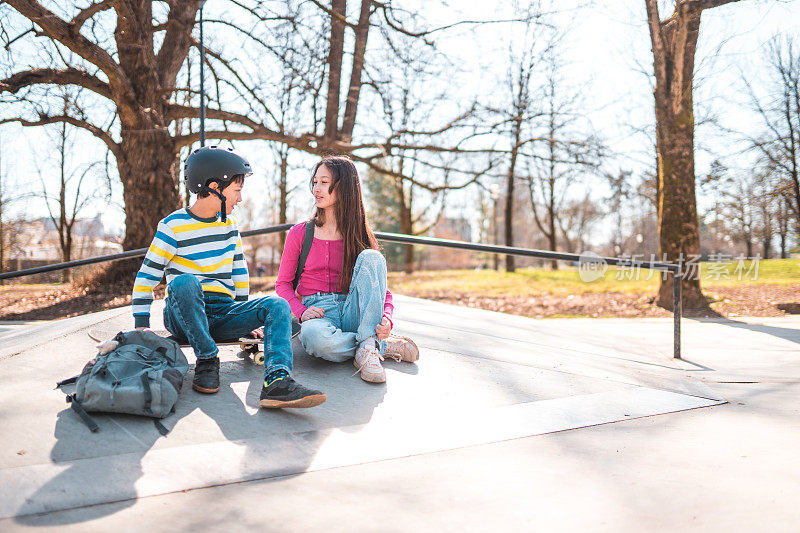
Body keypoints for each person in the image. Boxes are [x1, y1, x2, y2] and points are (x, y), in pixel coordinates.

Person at [131, 145, 325, 408]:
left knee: (277, 304)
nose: (241, 198)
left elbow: (239, 272)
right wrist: (141, 323)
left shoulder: (230, 227)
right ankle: (208, 359)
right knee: (185, 282)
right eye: (237, 190)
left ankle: (277, 381)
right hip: (183, 313)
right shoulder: (172, 226)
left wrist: (247, 316)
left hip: (223, 313)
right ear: (213, 187)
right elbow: (147, 276)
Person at [275, 155, 419, 383]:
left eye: (324, 182)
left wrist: (387, 319)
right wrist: (301, 311)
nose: (316, 189)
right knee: (313, 339)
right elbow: (282, 284)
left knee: (372, 257)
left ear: (345, 187)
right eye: (315, 182)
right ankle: (372, 345)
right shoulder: (300, 233)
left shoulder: (360, 234)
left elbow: (382, 290)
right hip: (319, 312)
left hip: (356, 310)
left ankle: (370, 342)